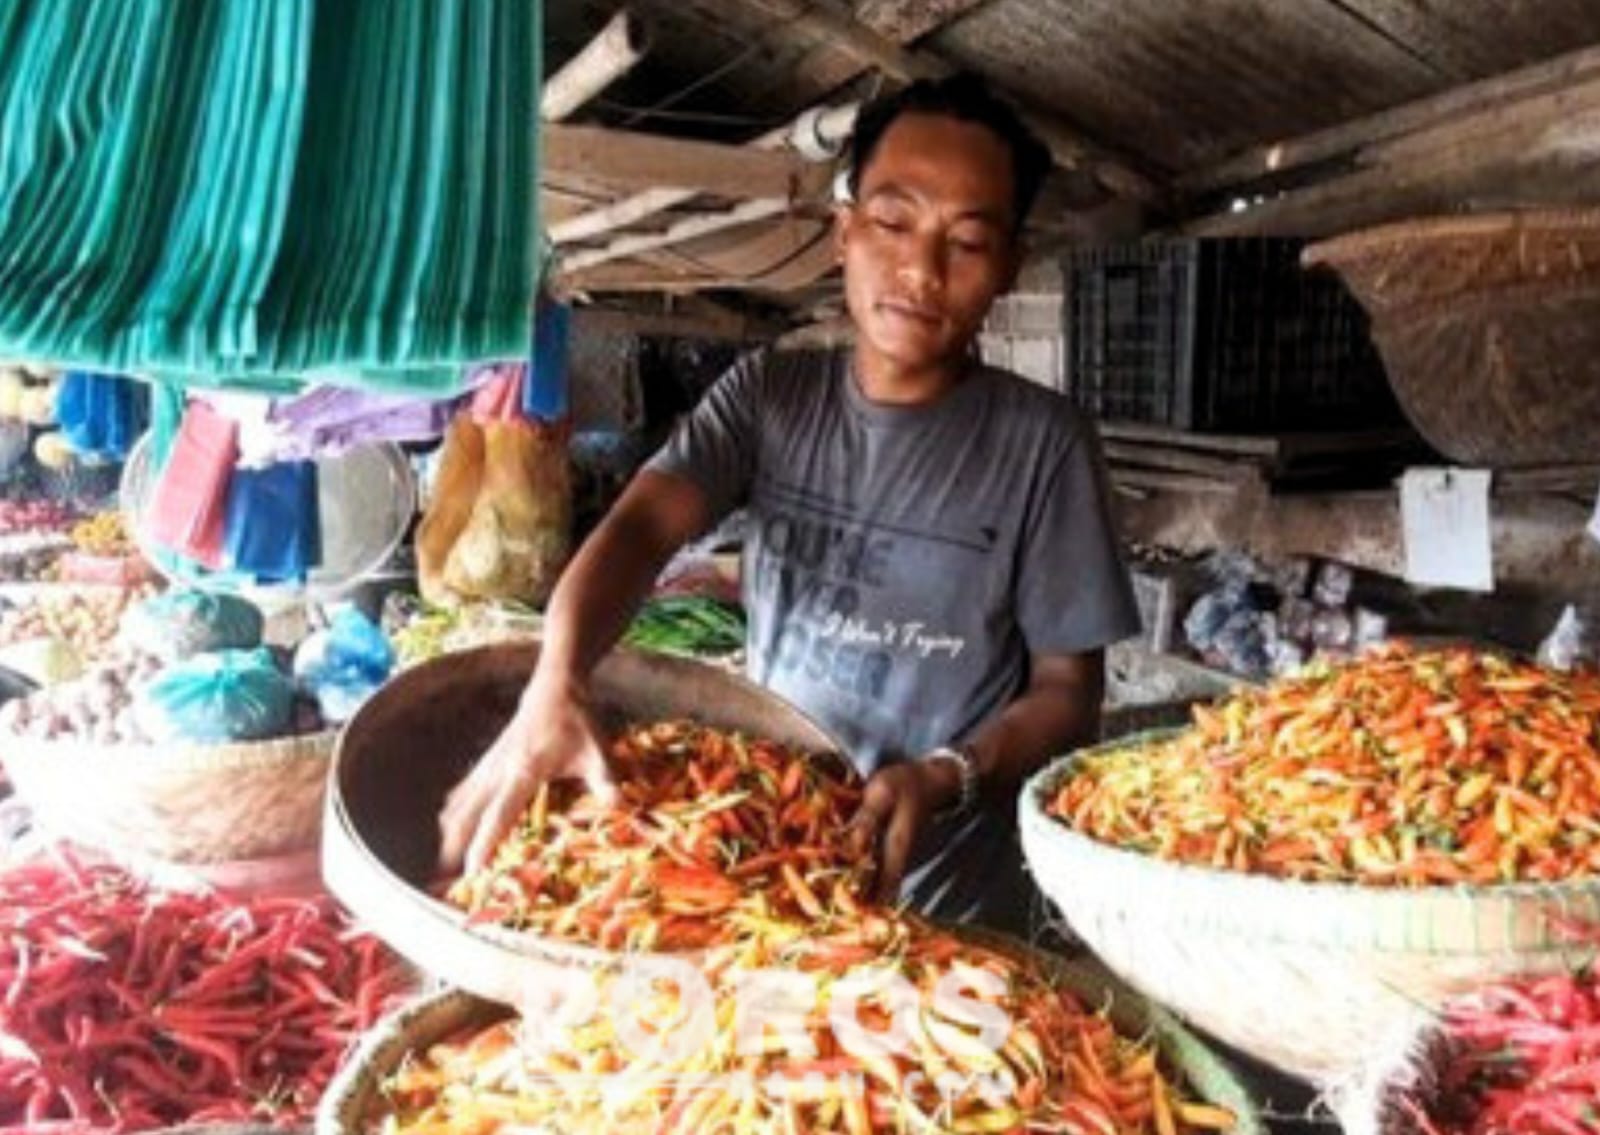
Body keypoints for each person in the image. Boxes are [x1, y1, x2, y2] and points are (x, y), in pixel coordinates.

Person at [439, 74, 1140, 934]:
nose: (921, 270)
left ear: (1008, 266)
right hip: (775, 858)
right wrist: (557, 677)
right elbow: (641, 529)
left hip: (953, 901)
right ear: (845, 231)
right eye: (893, 222)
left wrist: (947, 774)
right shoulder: (769, 394)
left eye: (966, 241)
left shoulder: (1045, 444)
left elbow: (1069, 691)